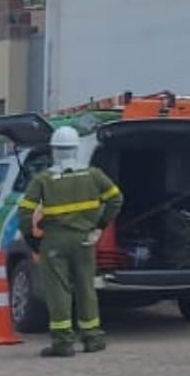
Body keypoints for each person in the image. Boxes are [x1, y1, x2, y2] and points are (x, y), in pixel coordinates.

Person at [17, 125, 123, 357]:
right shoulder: (94, 175)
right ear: (76, 149)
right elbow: (116, 199)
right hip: (85, 240)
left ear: (54, 151)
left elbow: (25, 212)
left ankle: (63, 343)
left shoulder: (43, 179)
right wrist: (99, 226)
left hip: (54, 242)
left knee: (58, 291)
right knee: (86, 288)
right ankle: (92, 338)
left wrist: (32, 241)